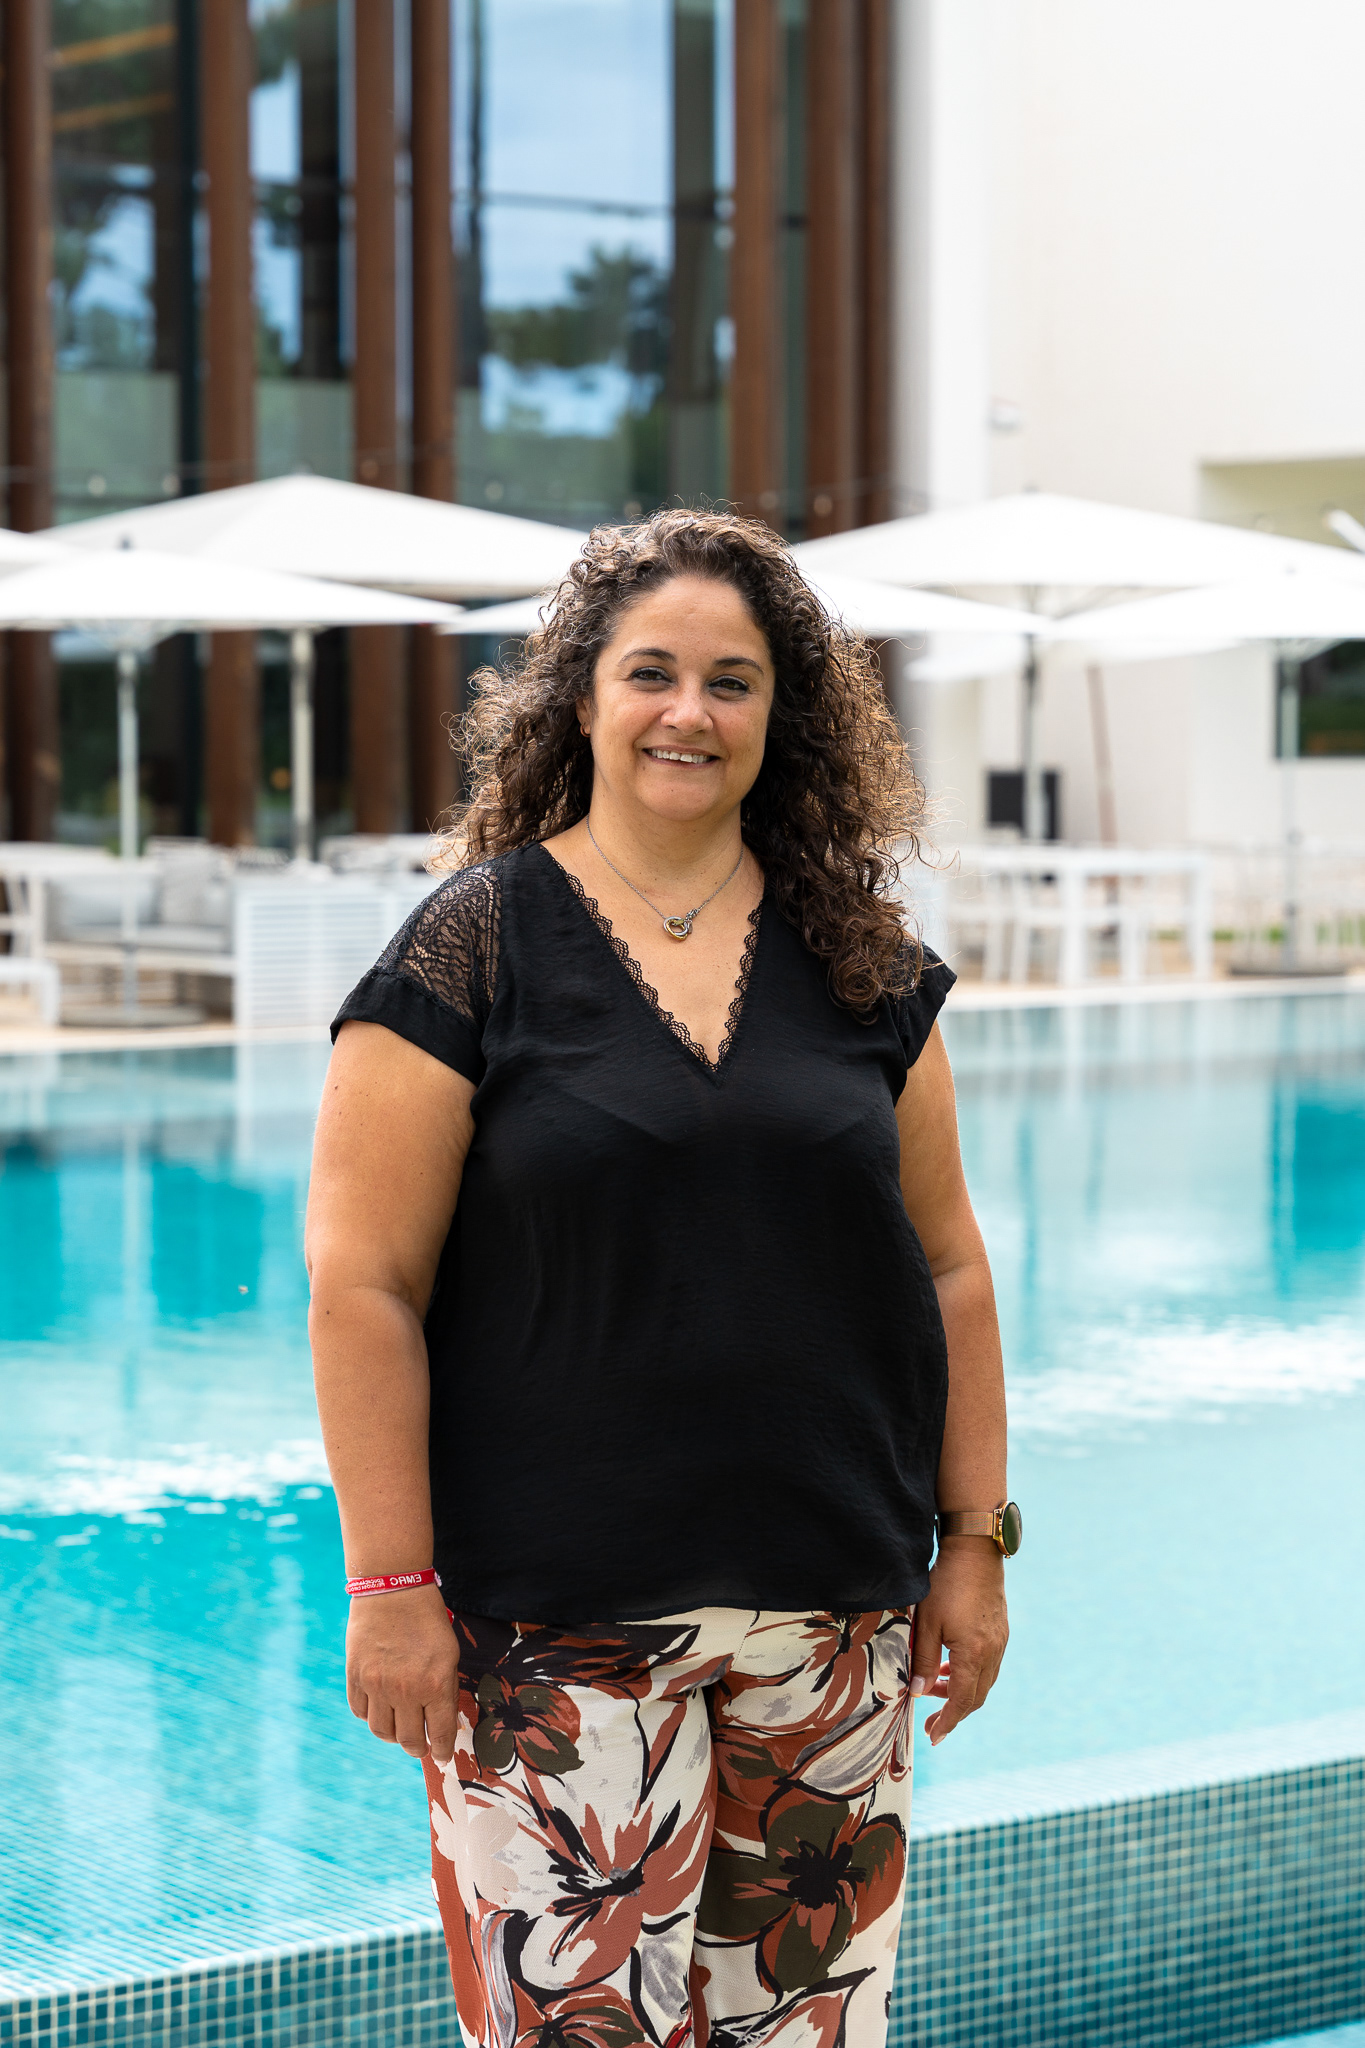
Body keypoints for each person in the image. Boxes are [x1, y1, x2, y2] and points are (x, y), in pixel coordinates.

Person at [306, 508, 1013, 2048]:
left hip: (830, 1618)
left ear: (778, 715)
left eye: (731, 681)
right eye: (650, 673)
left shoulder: (859, 957)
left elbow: (949, 1264)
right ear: (581, 697)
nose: (688, 711)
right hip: (549, 1632)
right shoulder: (473, 944)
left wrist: (974, 1542)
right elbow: (363, 1284)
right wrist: (389, 1585)